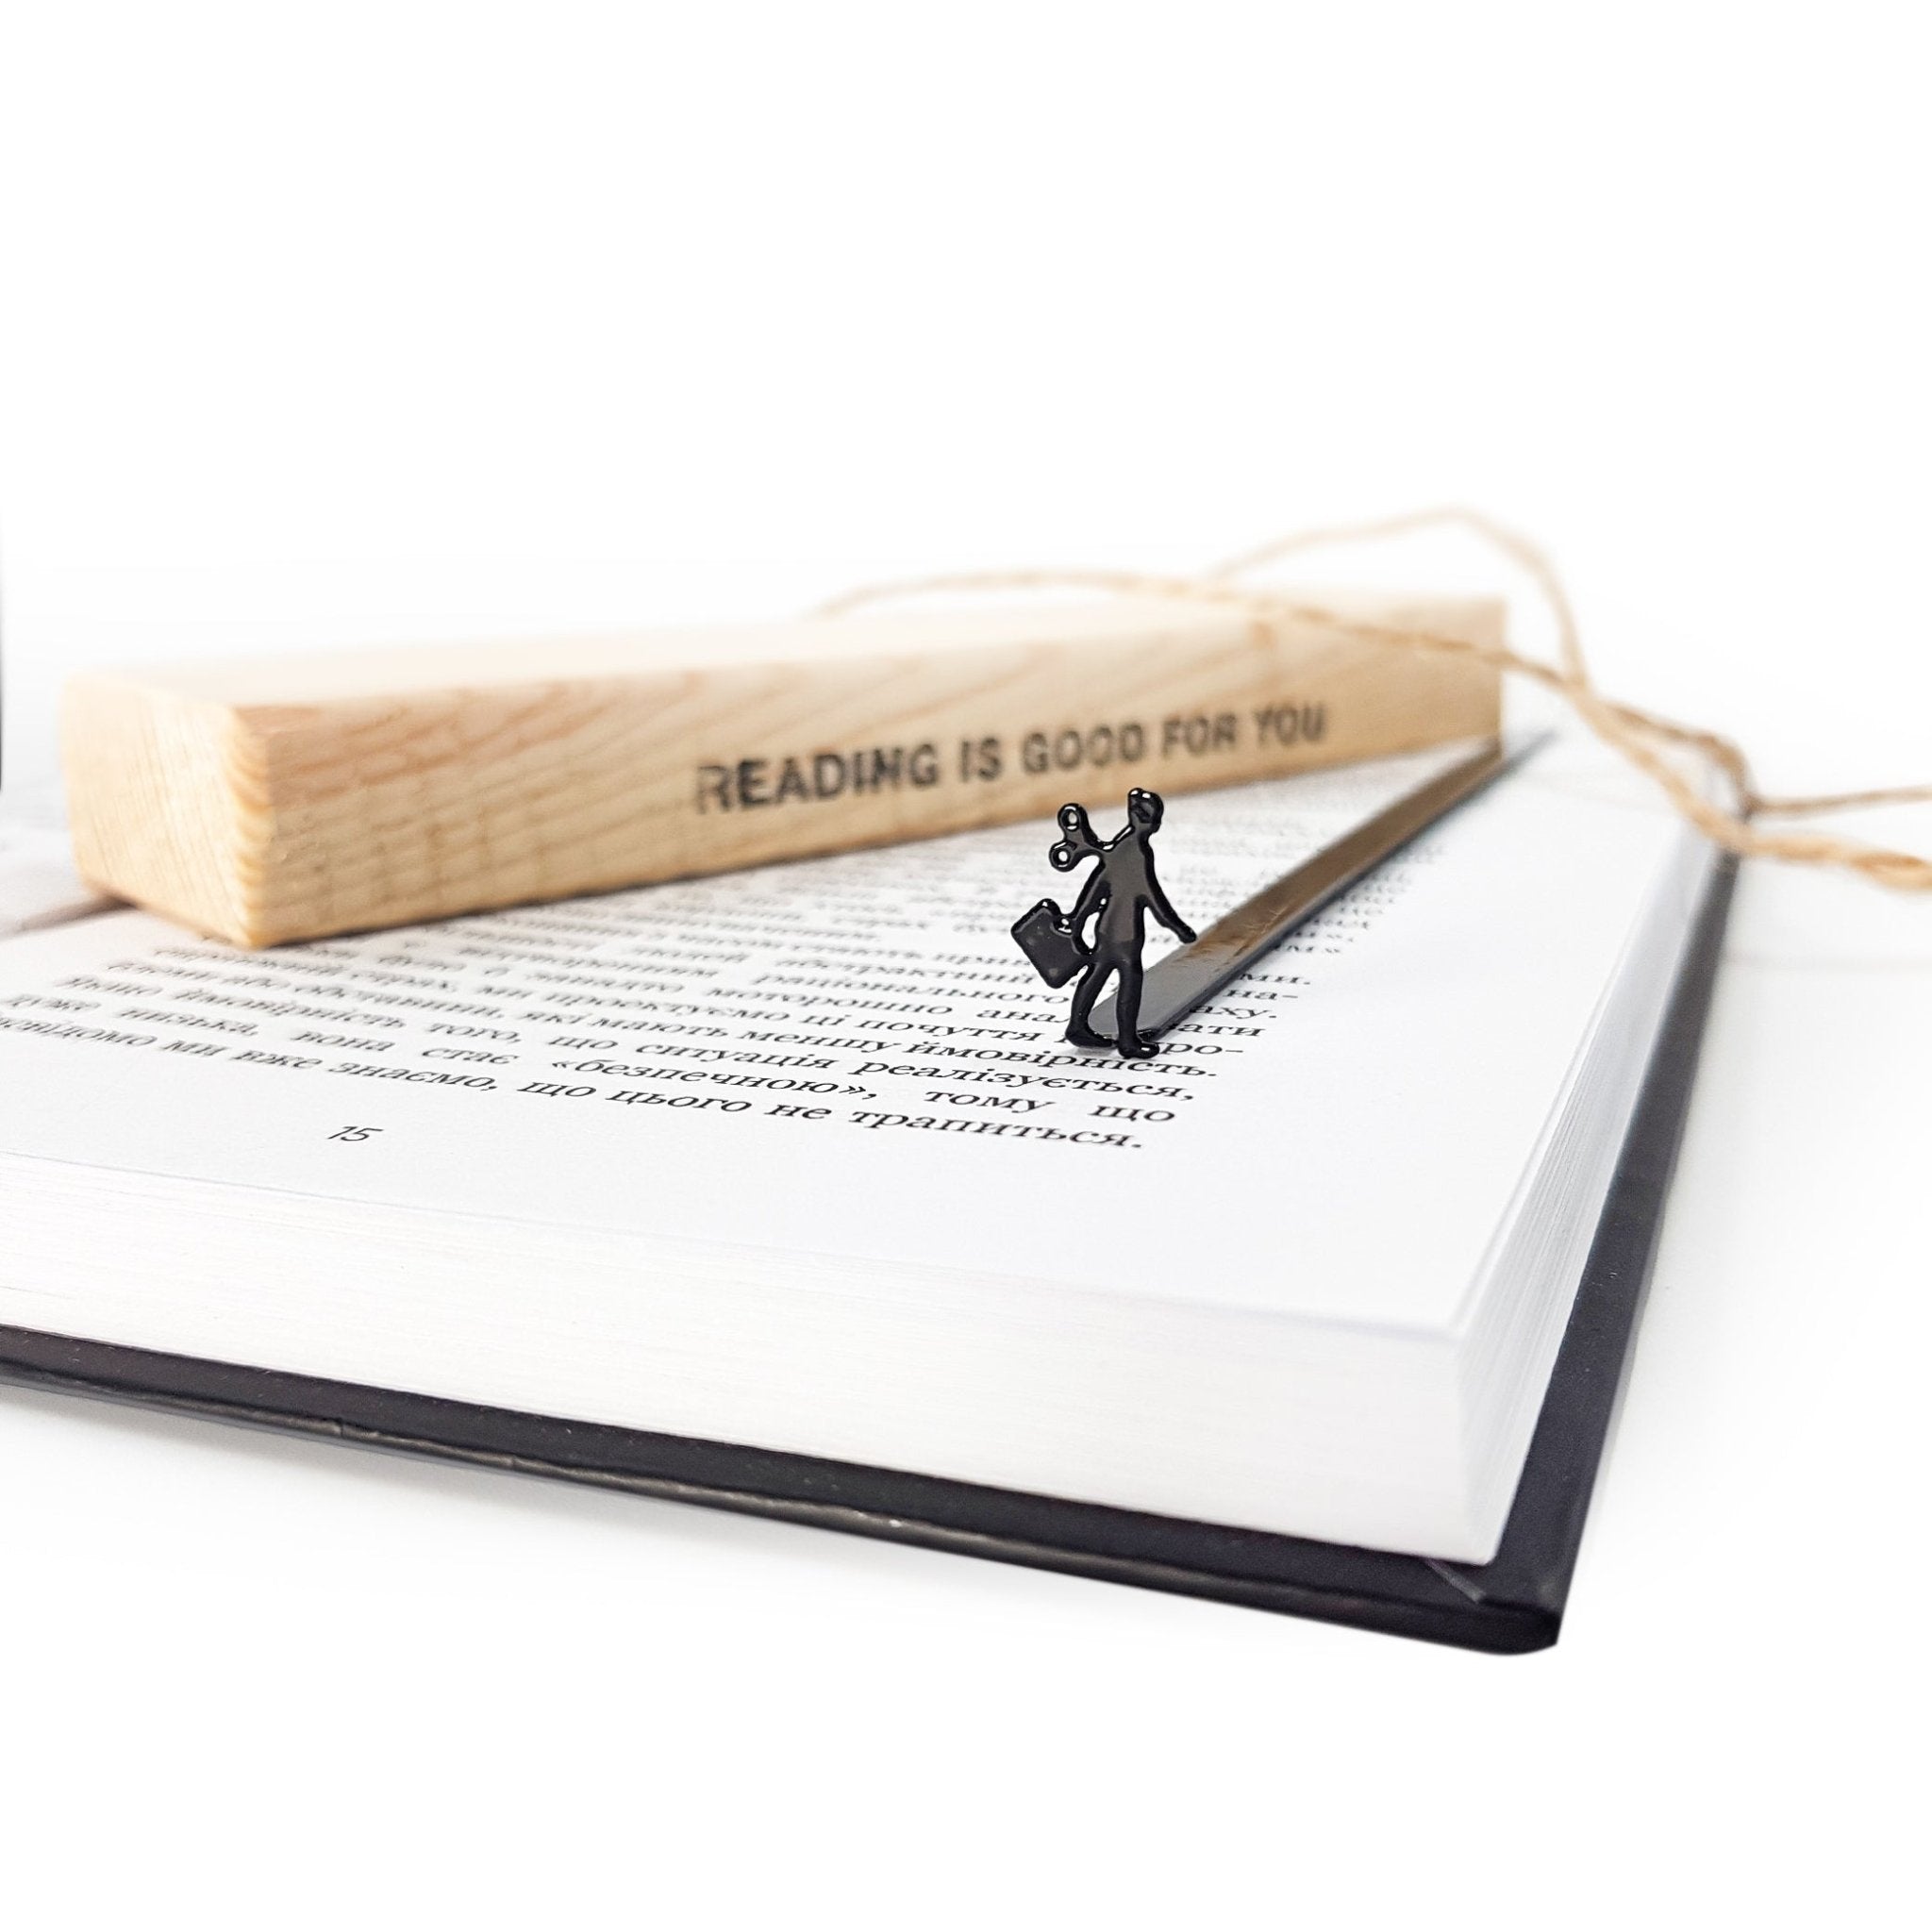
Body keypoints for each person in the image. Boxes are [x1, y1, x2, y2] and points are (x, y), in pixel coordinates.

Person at [1053, 788, 1196, 1058]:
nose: (1153, 823)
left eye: (1154, 817)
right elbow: (1152, 897)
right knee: (1130, 980)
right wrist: (1178, 928)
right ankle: (1127, 1041)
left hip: (1107, 929)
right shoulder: (1137, 853)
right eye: (1149, 817)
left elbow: (1097, 887)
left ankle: (1078, 1027)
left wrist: (1079, 917)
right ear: (1138, 817)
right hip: (1125, 935)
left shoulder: (1121, 848)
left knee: (1097, 972)